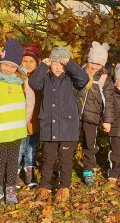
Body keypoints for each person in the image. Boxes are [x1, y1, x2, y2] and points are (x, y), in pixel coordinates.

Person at [30, 46, 89, 203]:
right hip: (49, 126)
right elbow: (34, 83)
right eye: (55, 63)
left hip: (67, 127)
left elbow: (84, 78)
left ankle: (64, 187)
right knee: (48, 158)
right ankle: (45, 186)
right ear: (50, 64)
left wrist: (70, 64)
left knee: (65, 159)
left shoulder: (71, 80)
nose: (58, 67)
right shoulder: (45, 79)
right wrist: (42, 65)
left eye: (61, 64)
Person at [0, 38, 35, 206]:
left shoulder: (22, 81)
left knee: (13, 161)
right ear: (0, 62)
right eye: (5, 65)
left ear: (17, 67)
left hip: (16, 129)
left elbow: (28, 102)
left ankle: (11, 188)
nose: (8, 69)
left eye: (13, 66)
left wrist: (24, 121)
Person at [77, 42, 114, 186]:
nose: (94, 66)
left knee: (89, 144)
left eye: (98, 64)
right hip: (74, 115)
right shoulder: (79, 72)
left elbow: (109, 101)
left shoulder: (104, 79)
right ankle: (63, 166)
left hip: (92, 118)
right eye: (92, 62)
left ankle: (88, 170)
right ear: (88, 60)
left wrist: (107, 120)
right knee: (69, 143)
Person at [17, 44, 41, 188]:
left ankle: (29, 172)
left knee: (32, 148)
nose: (28, 64)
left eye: (31, 61)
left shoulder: (39, 78)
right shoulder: (16, 77)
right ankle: (14, 173)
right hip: (19, 119)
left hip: (35, 119)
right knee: (19, 148)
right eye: (25, 61)